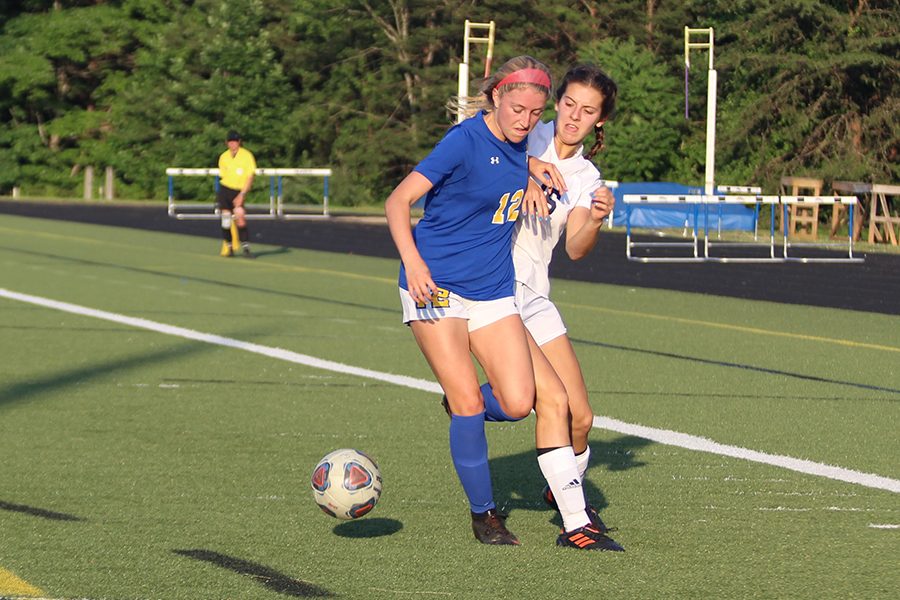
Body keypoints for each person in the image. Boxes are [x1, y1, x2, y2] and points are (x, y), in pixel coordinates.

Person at [385, 55, 610, 550]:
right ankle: (485, 515)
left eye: (535, 113)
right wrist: (415, 265)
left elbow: (528, 175)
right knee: (471, 400)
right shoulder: (467, 139)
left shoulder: (527, 148)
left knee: (517, 402)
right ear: (496, 97)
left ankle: (466, 410)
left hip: (493, 289)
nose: (527, 120)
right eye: (518, 109)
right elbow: (397, 201)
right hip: (437, 286)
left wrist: (534, 171)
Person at [481, 64, 622, 549]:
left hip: (536, 295)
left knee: (581, 417)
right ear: (556, 101)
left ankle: (556, 483)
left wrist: (598, 218)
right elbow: (481, 146)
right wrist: (529, 171)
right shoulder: (525, 132)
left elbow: (577, 247)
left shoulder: (586, 175)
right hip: (496, 287)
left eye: (587, 112)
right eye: (569, 104)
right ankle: (574, 520)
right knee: (551, 402)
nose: (573, 117)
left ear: (599, 122)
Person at [216, 130, 256, 258]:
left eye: (235, 142)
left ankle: (246, 248)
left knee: (240, 216)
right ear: (227, 143)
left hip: (238, 190)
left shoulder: (247, 156)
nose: (233, 144)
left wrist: (242, 194)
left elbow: (250, 177)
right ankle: (229, 247)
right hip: (225, 189)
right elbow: (223, 175)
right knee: (226, 219)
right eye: (230, 142)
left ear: (239, 142)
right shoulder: (223, 157)